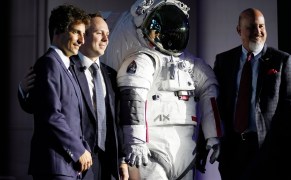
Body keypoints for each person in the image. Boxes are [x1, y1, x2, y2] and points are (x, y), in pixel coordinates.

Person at [104, 0, 222, 179]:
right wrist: (135, 142)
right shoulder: (143, 60)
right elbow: (132, 99)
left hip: (185, 151)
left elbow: (210, 92)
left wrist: (213, 136)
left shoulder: (190, 64)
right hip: (151, 151)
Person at [18, 12, 130, 180]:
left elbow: (116, 121)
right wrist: (23, 91)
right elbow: (45, 109)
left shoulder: (111, 75)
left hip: (106, 163)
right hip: (75, 160)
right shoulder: (65, 65)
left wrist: (121, 159)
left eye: (108, 34)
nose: (106, 39)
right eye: (99, 33)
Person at [212, 8, 291, 180]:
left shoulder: (282, 61)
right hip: (233, 149)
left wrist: (284, 149)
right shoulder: (224, 61)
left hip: (267, 150)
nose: (258, 32)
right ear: (239, 30)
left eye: (261, 26)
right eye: (251, 27)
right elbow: (216, 104)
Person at [23, 4, 92, 180]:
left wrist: (84, 150)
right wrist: (78, 150)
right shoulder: (49, 64)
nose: (82, 40)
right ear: (57, 31)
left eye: (83, 34)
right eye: (77, 32)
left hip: (68, 167)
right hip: (55, 167)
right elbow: (51, 115)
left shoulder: (67, 67)